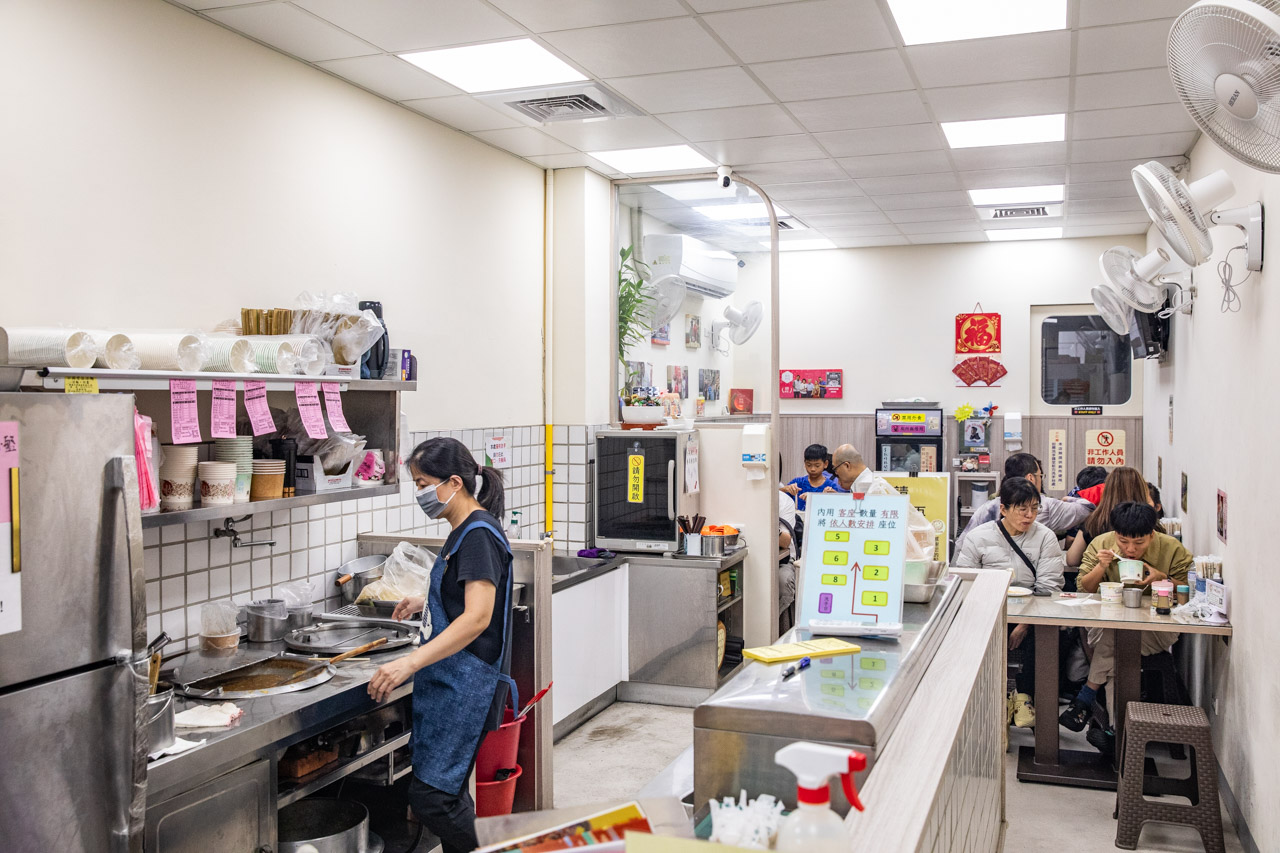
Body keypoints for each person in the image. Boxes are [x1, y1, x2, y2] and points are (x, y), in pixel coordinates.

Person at [367, 437, 516, 853]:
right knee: (446, 794)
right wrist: (427, 600)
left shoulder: (477, 535)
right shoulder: (463, 527)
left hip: (466, 685)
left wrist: (408, 664)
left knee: (434, 800)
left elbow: (478, 617)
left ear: (454, 482)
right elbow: (463, 595)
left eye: (423, 483)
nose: (420, 494)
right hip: (450, 683)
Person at [1059, 501, 1192, 756]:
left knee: (1116, 641)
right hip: (1104, 627)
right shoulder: (1102, 543)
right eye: (1123, 541)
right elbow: (1082, 588)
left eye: (1139, 543)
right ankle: (1118, 735)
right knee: (1116, 637)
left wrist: (1162, 578)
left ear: (1152, 535)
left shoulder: (1172, 548)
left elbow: (1190, 591)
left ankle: (1089, 699)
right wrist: (1101, 566)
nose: (1130, 550)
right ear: (1115, 535)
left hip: (1157, 631)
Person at [954, 477, 1066, 727]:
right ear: (1003, 509)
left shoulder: (1045, 537)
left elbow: (1048, 587)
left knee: (1047, 635)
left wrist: (1024, 624)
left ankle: (1026, 697)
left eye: (1035, 508)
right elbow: (965, 583)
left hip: (1032, 612)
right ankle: (993, 700)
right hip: (987, 611)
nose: (1029, 515)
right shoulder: (978, 537)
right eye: (1022, 509)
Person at [954, 453, 1092, 553]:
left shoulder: (987, 507)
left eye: (1034, 508)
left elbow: (962, 547)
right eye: (1040, 476)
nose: (1029, 515)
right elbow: (1087, 508)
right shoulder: (1048, 506)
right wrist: (1069, 498)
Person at [1064, 466, 1157, 567]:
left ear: (1107, 489)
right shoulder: (1150, 523)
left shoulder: (1094, 522)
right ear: (1142, 490)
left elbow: (1072, 560)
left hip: (1099, 581)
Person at [780, 443, 832, 511]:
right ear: (804, 464)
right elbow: (775, 497)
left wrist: (818, 498)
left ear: (825, 464)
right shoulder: (798, 482)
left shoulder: (830, 486)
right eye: (809, 465)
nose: (813, 469)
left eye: (817, 466)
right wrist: (785, 489)